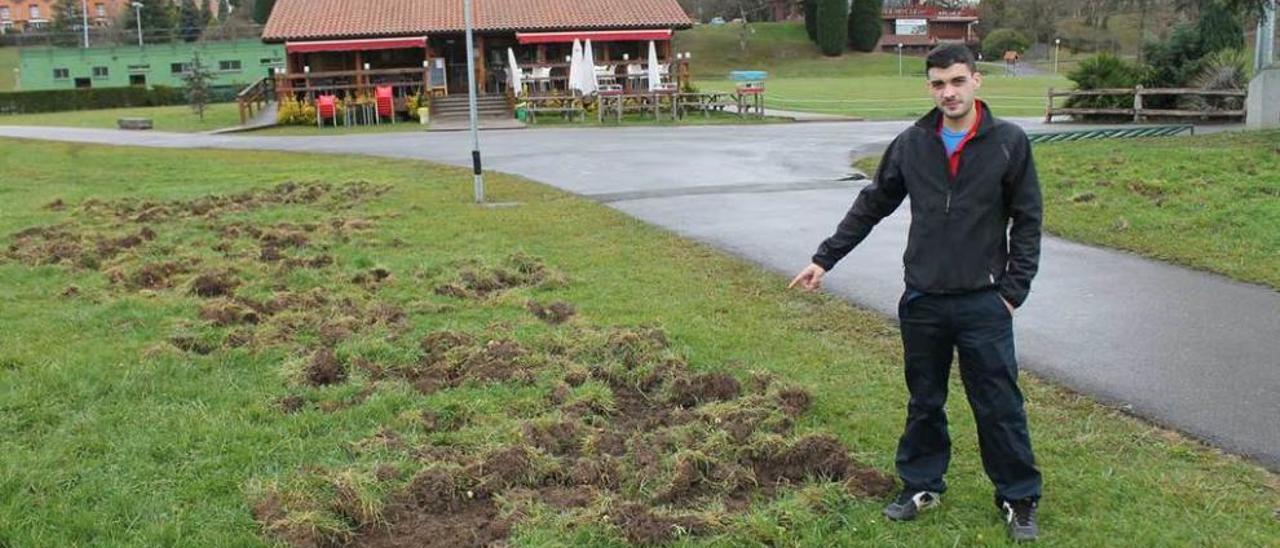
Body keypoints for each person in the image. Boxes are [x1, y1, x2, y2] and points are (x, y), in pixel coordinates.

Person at [788, 44, 1043, 542]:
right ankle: (922, 485)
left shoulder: (1008, 142)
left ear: (976, 81)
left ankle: (1018, 497)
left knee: (998, 402)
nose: (948, 92)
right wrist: (824, 258)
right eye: (938, 84)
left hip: (983, 302)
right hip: (923, 299)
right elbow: (872, 203)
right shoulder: (913, 143)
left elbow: (1028, 220)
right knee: (925, 399)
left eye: (957, 81)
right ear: (930, 87)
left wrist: (1012, 291)